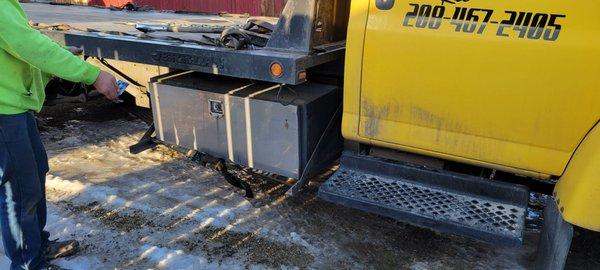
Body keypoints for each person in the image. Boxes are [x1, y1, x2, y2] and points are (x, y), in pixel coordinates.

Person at [0, 1, 119, 269]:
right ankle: (27, 263)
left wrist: (61, 55)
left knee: (34, 175)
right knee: (19, 192)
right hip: (4, 113)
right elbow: (28, 46)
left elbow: (18, 50)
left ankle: (36, 247)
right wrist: (91, 75)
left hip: (13, 107)